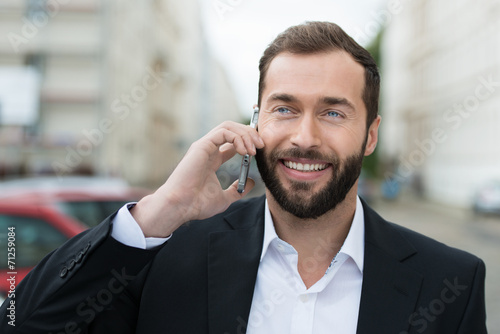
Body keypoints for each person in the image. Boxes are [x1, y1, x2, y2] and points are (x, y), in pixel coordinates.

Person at [0, 21, 486, 334]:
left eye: (334, 113)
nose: (304, 137)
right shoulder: (168, 259)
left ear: (371, 135)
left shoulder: (451, 283)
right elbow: (22, 323)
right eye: (284, 109)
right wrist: (158, 211)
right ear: (256, 123)